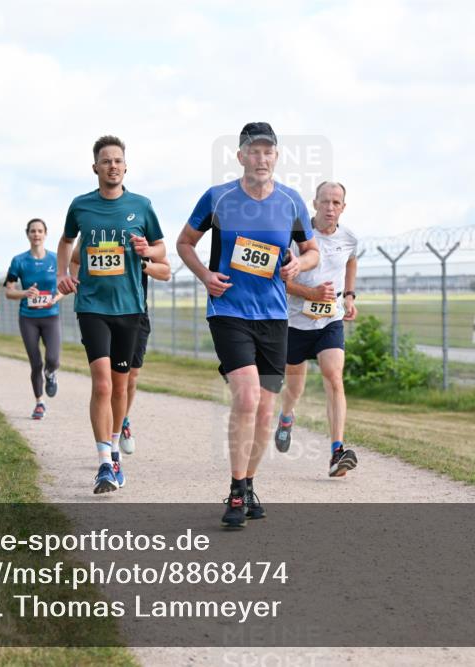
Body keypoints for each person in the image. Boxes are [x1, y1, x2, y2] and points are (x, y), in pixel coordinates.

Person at [177, 122, 319, 528]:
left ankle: (250, 482)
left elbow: (310, 251)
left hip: (274, 317)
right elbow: (184, 242)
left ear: (276, 157)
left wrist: (298, 262)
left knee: (266, 409)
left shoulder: (291, 202)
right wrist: (205, 275)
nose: (261, 158)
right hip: (229, 312)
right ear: (240, 156)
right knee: (246, 398)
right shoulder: (218, 198)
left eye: (267, 151)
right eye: (253, 151)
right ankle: (236, 491)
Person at [57, 135, 165, 494]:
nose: (112, 166)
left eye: (118, 160)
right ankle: (104, 462)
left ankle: (115, 446)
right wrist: (63, 273)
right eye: (106, 161)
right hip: (92, 306)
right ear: (95, 168)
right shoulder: (80, 206)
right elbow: (66, 242)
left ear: (125, 166)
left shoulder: (141, 205)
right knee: (101, 383)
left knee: (121, 386)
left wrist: (147, 248)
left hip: (130, 307)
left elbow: (161, 249)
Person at [274, 181, 360, 477]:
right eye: (325, 201)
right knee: (294, 389)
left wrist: (349, 295)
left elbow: (350, 260)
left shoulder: (349, 238)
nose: (330, 208)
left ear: (343, 207)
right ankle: (286, 417)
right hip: (295, 323)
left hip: (330, 321)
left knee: (334, 376)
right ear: (314, 203)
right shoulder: (295, 238)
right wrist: (310, 294)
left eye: (336, 203)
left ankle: (337, 451)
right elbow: (280, 282)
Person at [70, 238, 171, 455]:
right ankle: (108, 451)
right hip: (98, 313)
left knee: (130, 378)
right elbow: (75, 260)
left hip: (134, 314)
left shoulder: (139, 230)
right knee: (104, 383)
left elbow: (165, 272)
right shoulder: (93, 229)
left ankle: (122, 419)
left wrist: (142, 263)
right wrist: (78, 282)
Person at [6, 219, 65, 419]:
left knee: (53, 359)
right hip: (28, 318)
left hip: (51, 316)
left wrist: (57, 297)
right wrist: (24, 294)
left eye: (40, 231)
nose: (36, 234)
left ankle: (51, 374)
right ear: (28, 234)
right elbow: (9, 292)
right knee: (36, 363)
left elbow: (64, 287)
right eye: (33, 231)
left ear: (45, 234)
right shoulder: (19, 261)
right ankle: (39, 403)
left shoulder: (56, 259)